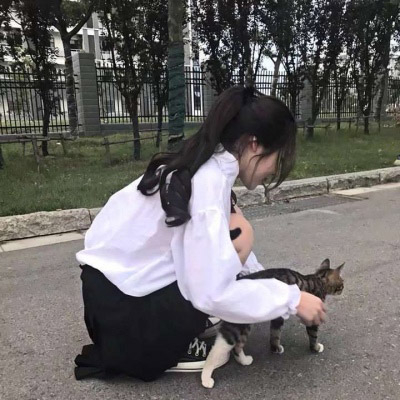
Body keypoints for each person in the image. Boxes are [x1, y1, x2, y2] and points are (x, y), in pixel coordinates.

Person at [74, 85, 326, 382]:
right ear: (254, 144)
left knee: (233, 239)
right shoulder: (208, 184)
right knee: (240, 238)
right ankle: (175, 348)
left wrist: (269, 286)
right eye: (278, 157)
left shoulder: (205, 163)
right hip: (128, 327)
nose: (275, 169)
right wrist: (291, 298)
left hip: (108, 303)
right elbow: (211, 291)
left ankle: (172, 328)